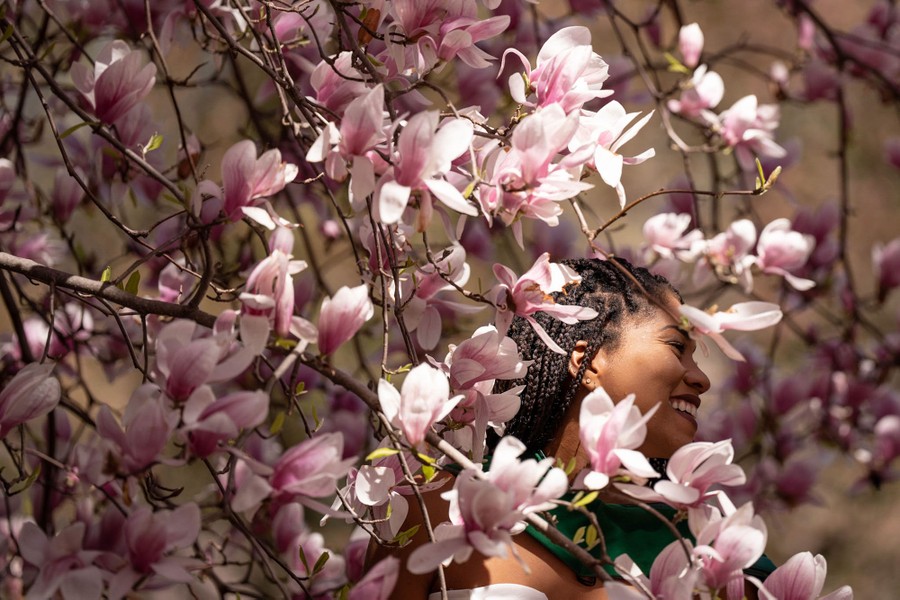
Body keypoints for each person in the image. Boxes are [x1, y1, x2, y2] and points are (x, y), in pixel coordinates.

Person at [368, 257, 772, 599]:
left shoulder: (712, 550)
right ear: (588, 359)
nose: (701, 378)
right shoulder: (442, 506)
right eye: (676, 347)